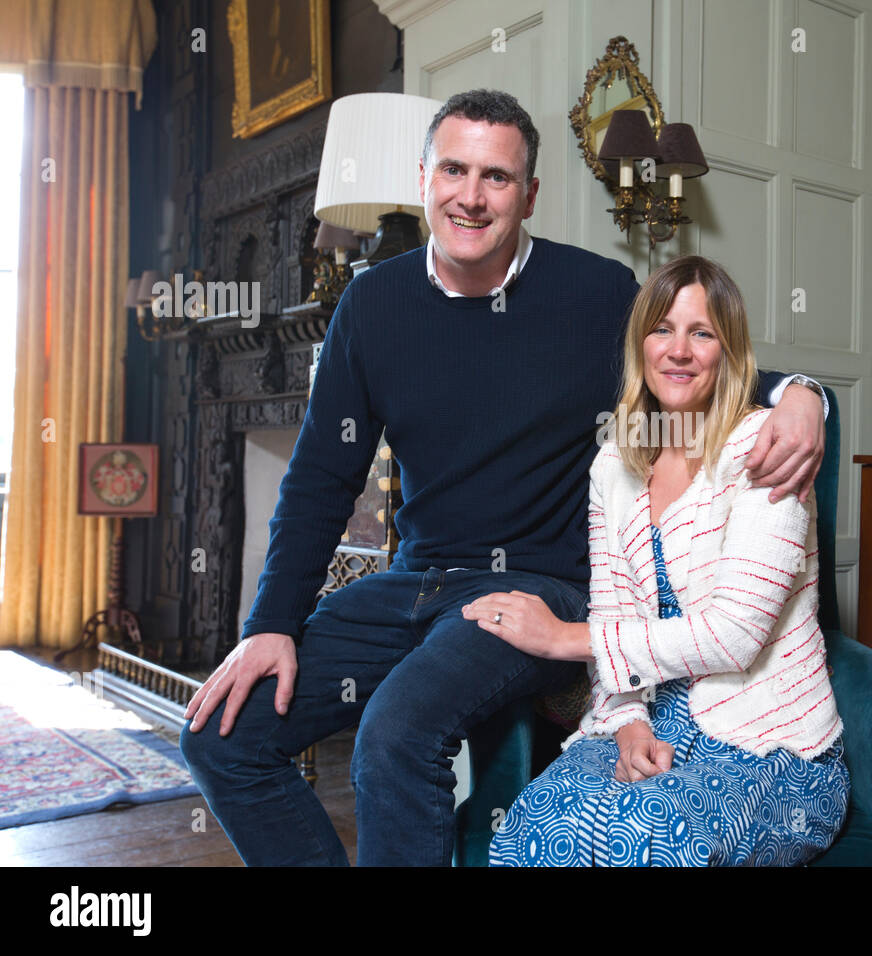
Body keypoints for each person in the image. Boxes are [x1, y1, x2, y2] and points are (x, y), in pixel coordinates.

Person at [178, 90, 830, 866]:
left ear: (529, 195)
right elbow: (319, 478)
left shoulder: (592, 294)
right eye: (454, 169)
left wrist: (804, 396)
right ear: (423, 176)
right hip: (414, 582)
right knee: (222, 733)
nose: (471, 196)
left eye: (496, 177)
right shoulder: (372, 304)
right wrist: (270, 627)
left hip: (533, 588)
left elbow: (689, 364)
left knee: (394, 733)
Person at [467, 255, 848, 866]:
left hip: (771, 749)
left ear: (729, 350)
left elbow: (735, 636)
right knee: (529, 829)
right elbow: (614, 607)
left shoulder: (766, 447)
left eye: (702, 333)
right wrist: (626, 723)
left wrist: (563, 638)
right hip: (653, 726)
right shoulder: (614, 463)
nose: (679, 350)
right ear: (639, 345)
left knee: (644, 838)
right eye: (662, 329)